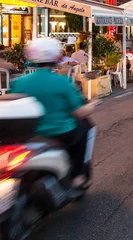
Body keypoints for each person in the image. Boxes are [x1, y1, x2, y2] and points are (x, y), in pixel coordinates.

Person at [9, 38, 96, 189]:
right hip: (59, 132)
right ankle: (77, 176)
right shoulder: (63, 82)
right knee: (84, 126)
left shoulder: (19, 82)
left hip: (28, 134)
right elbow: (79, 111)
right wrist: (93, 104)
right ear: (55, 57)